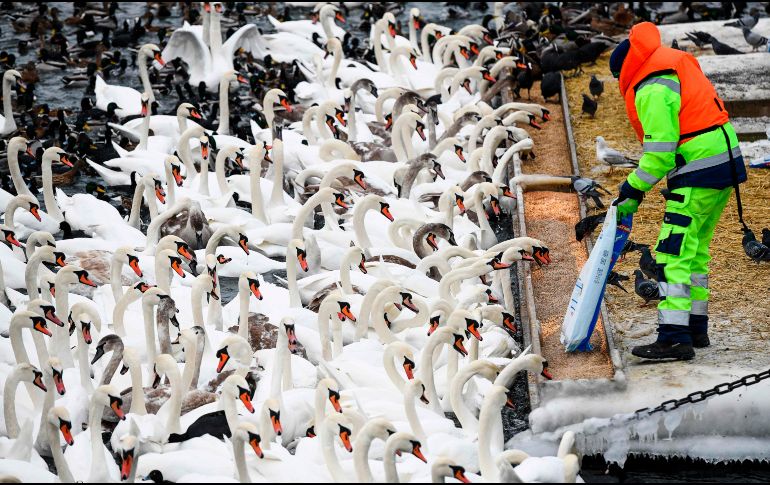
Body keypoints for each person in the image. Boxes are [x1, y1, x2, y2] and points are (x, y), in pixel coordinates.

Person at [610, 22, 747, 361]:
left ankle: (673, 337)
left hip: (697, 168)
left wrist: (632, 188)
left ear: (625, 72)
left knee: (672, 254)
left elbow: (660, 154)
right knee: (695, 250)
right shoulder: (670, 63)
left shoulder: (651, 88)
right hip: (724, 162)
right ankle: (695, 328)